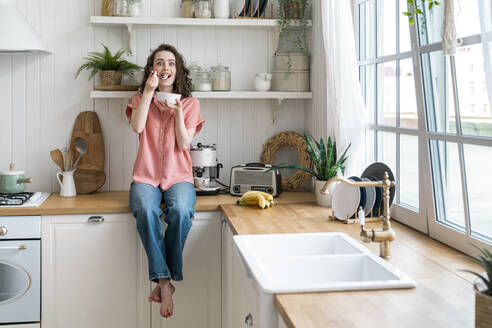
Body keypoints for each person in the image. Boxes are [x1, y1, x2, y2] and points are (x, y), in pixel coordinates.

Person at [125, 44, 204, 319]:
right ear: (152, 69)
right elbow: (137, 126)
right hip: (145, 176)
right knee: (146, 210)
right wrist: (148, 91)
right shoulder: (139, 97)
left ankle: (163, 279)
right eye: (160, 63)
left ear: (177, 70)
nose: (166, 67)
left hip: (178, 177)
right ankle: (164, 282)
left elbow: (184, 143)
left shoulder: (191, 104)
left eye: (171, 63)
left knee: (182, 211)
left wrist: (179, 111)